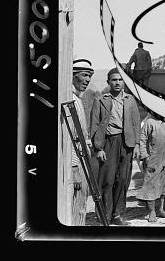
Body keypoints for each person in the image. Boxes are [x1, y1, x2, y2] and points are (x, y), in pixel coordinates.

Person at [89, 68, 141, 226]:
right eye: (114, 80)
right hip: (109, 143)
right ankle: (104, 216)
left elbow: (136, 123)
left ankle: (118, 215)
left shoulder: (130, 100)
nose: (117, 82)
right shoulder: (100, 100)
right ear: (108, 82)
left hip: (127, 143)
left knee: (123, 180)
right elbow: (94, 125)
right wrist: (98, 148)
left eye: (120, 79)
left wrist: (137, 144)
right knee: (108, 180)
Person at [70, 58, 94, 226]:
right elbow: (71, 137)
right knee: (76, 204)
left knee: (82, 201)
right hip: (76, 163)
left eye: (89, 76)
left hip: (83, 158)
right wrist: (74, 169)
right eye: (84, 75)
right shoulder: (71, 100)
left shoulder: (78, 99)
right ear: (73, 76)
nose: (87, 80)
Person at [137, 113, 165, 222]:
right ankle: (151, 212)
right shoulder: (149, 122)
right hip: (153, 157)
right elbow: (142, 140)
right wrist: (145, 156)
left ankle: (161, 209)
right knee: (150, 184)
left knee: (164, 183)